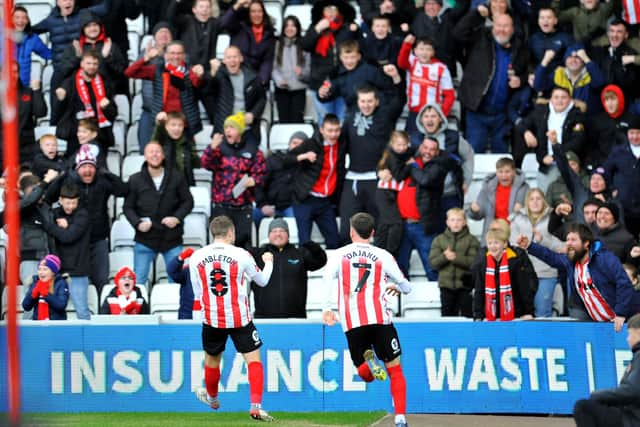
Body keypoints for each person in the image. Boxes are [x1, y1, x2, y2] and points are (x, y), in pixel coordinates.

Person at [322, 212, 411, 427]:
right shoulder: (383, 255)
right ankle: (400, 418)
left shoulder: (339, 254)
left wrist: (327, 308)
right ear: (372, 233)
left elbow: (326, 279)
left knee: (365, 374)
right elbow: (406, 286)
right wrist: (396, 287)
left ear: (351, 232)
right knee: (395, 370)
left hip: (353, 321)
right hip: (380, 318)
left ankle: (369, 365)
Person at [191, 215, 275, 421]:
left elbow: (197, 292)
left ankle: (212, 399)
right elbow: (262, 281)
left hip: (212, 318)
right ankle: (255, 406)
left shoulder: (196, 257)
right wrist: (268, 262)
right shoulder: (241, 254)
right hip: (240, 318)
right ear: (230, 233)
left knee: (212, 360)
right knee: (253, 360)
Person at [517, 223, 640, 329]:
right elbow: (551, 257)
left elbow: (623, 283)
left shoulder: (604, 259)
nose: (568, 243)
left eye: (573, 240)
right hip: (601, 324)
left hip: (626, 320)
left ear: (586, 244)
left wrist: (620, 314)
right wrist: (530, 246)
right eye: (567, 239)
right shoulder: (571, 261)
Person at [44, 145, 128, 292]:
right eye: (84, 167)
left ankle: (101, 312)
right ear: (77, 168)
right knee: (76, 281)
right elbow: (49, 198)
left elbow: (123, 190)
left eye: (91, 166)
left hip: (98, 238)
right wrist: (60, 177)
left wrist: (108, 174)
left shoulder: (102, 181)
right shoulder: (68, 181)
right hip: (75, 240)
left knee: (101, 279)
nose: (88, 170)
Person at [452, 10, 528, 153]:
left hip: (502, 115)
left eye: (506, 26)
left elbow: (526, 73)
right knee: (474, 156)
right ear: (493, 26)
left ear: (512, 29)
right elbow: (458, 33)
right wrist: (476, 14)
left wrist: (521, 80)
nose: (502, 30)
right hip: (476, 112)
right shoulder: (480, 38)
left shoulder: (519, 47)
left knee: (502, 159)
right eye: (498, 25)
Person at [123, 141, 194, 286]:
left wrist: (177, 218)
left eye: (158, 152)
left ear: (163, 155)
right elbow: (128, 207)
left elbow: (188, 202)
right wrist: (138, 223)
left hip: (172, 238)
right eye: (151, 152)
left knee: (176, 282)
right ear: (145, 155)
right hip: (145, 239)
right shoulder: (135, 179)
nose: (154, 155)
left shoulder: (176, 177)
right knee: (138, 283)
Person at [200, 112, 267, 248]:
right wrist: (211, 148)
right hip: (221, 205)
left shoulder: (253, 149)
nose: (228, 131)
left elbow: (262, 174)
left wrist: (254, 180)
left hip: (243, 206)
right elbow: (206, 164)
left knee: (243, 245)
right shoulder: (218, 148)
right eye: (226, 128)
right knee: (221, 246)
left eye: (232, 127)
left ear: (240, 130)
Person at [249, 218, 327, 318]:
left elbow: (320, 261)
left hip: (296, 318)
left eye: (282, 231)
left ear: (288, 235)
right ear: (269, 235)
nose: (278, 234)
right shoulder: (258, 254)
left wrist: (313, 246)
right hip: (264, 318)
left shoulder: (300, 253)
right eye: (274, 231)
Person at [125, 40, 204, 138]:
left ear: (184, 56)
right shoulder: (157, 69)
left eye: (179, 53)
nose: (175, 57)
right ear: (165, 55)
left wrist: (200, 76)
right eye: (172, 53)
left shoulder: (190, 71)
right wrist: (146, 58)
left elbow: (198, 84)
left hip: (185, 123)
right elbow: (129, 73)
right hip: (163, 121)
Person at [287, 114, 345, 248]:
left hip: (325, 202)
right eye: (330, 130)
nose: (333, 134)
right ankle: (304, 269)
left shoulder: (341, 143)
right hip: (305, 200)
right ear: (321, 130)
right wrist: (303, 156)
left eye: (336, 130)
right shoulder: (311, 143)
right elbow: (287, 159)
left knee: (334, 242)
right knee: (305, 242)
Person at [573, 312, 640, 427]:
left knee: (583, 407)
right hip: (631, 413)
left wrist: (598, 395)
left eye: (629, 334)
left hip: (633, 418)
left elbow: (632, 390)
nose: (628, 339)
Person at [301, 0, 359, 124]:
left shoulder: (347, 27)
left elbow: (359, 49)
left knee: (343, 121)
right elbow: (305, 45)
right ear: (322, 11)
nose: (331, 12)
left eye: (334, 8)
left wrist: (356, 31)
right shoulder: (316, 26)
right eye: (327, 9)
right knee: (325, 121)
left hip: (344, 81)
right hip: (321, 82)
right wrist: (317, 29)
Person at [509, 188, 565, 317]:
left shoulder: (554, 218)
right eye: (532, 199)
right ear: (527, 202)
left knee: (542, 314)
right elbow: (512, 246)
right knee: (524, 314)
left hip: (545, 273)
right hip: (523, 274)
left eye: (538, 198)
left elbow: (561, 247)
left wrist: (543, 240)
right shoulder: (517, 219)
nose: (535, 202)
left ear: (544, 201)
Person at [40, 183, 92, 320]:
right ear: (60, 200)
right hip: (57, 271)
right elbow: (44, 202)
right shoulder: (55, 213)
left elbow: (68, 237)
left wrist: (50, 226)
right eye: (67, 203)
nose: (70, 206)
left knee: (82, 311)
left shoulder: (83, 215)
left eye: (74, 203)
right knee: (53, 310)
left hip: (78, 271)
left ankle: (86, 341)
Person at [55, 49, 118, 157]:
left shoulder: (105, 82)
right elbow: (59, 112)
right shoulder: (70, 82)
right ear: (82, 64)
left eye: (95, 64)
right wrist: (61, 100)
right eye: (88, 63)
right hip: (76, 135)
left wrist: (107, 107)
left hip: (99, 135)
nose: (91, 66)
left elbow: (113, 114)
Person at [472, 228, 537, 321]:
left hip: (514, 314)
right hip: (490, 315)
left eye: (496, 243)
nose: (493, 246)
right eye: (490, 243)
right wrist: (478, 315)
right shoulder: (483, 264)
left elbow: (524, 290)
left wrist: (529, 312)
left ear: (505, 244)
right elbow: (479, 291)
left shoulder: (515, 263)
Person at [397, 35, 455, 133]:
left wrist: (442, 113)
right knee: (412, 142)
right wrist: (407, 44)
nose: (424, 52)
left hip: (432, 114)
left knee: (431, 143)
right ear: (415, 51)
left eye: (428, 49)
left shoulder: (441, 68)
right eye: (421, 49)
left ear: (433, 52)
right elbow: (401, 63)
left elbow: (450, 95)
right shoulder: (412, 62)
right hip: (414, 112)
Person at [429, 208, 480, 317]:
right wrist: (444, 257)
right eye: (452, 220)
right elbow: (433, 263)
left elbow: (474, 263)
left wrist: (455, 258)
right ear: (447, 222)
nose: (455, 223)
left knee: (467, 317)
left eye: (459, 220)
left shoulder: (472, 240)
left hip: (466, 287)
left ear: (464, 222)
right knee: (447, 317)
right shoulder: (439, 240)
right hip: (446, 287)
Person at [207, 46, 266, 138]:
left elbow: (262, 99)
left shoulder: (252, 77)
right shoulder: (218, 77)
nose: (232, 60)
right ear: (224, 61)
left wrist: (253, 114)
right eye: (229, 57)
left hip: (247, 128)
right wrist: (212, 74)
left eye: (235, 57)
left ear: (241, 59)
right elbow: (208, 91)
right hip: (224, 129)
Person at [467, 157, 529, 242]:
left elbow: (531, 214)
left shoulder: (524, 188)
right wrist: (474, 210)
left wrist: (522, 210)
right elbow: (477, 216)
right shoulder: (487, 188)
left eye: (507, 172)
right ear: (496, 172)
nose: (504, 175)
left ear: (514, 172)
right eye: (500, 172)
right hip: (493, 236)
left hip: (515, 235)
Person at [253, 131, 306, 226]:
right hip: (268, 204)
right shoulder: (274, 160)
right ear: (289, 144)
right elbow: (259, 184)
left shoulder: (307, 166)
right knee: (250, 217)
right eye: (294, 143)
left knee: (295, 221)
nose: (297, 147)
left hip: (291, 207)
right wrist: (263, 204)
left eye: (301, 144)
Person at [219, 0, 276, 86]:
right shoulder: (239, 27)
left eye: (259, 11)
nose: (256, 14)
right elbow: (224, 23)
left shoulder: (269, 33)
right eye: (253, 11)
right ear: (248, 14)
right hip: (237, 76)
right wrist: (238, 4)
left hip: (257, 80)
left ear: (263, 13)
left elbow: (267, 61)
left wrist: (261, 81)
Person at [375, 131, 412, 257]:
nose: (402, 148)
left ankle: (379, 251)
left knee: (385, 224)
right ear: (392, 144)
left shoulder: (400, 154)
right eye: (398, 145)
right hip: (385, 194)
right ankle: (390, 254)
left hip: (390, 194)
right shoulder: (393, 157)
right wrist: (408, 165)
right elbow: (399, 176)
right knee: (396, 224)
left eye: (404, 144)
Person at [410, 0, 469, 79]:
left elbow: (463, 5)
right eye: (428, 4)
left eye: (434, 4)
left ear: (440, 6)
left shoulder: (449, 17)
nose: (431, 7)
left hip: (445, 68)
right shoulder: (417, 17)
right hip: (423, 69)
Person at [604, 115, 640, 237]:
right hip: (624, 207)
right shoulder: (618, 151)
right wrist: (612, 189)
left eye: (638, 133)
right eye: (632, 133)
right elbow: (606, 171)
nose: (635, 136)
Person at [271, 16, 310, 123]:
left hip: (299, 89)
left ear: (298, 28)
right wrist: (279, 80)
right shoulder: (277, 45)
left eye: (293, 25)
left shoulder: (304, 45)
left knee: (297, 121)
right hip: (282, 90)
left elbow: (309, 69)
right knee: (284, 121)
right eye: (287, 25)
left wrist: (301, 73)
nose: (290, 28)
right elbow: (273, 68)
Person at [151, 111, 199, 186]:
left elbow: (196, 163)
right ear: (166, 127)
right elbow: (155, 140)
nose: (177, 128)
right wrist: (160, 124)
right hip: (166, 186)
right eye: (173, 125)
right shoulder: (162, 140)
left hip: (186, 184)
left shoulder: (187, 142)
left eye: (180, 125)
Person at [12, 6, 52, 88]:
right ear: (11, 19)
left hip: (23, 85)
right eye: (17, 17)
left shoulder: (32, 38)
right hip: (5, 85)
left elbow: (48, 54)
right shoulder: (3, 35)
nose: (20, 21)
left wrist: (67, 52)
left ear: (27, 20)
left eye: (24, 18)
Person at [22, 255, 69, 321]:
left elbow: (61, 305)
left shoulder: (61, 283)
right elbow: (26, 306)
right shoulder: (35, 283)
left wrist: (46, 294)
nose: (41, 272)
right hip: (38, 324)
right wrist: (32, 295)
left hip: (56, 324)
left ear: (53, 272)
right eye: (39, 269)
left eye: (45, 269)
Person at [167, 248, 199, 320]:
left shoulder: (212, 270)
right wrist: (180, 258)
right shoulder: (188, 270)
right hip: (187, 313)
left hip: (208, 312)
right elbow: (172, 271)